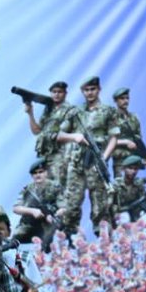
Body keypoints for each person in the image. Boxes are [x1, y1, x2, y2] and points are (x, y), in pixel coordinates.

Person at [57, 76, 116, 234]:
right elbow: (59, 135)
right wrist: (74, 136)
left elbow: (113, 138)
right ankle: (69, 238)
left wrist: (104, 157)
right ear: (82, 91)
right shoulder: (75, 112)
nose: (90, 93)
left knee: (100, 205)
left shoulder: (108, 111)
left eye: (93, 89)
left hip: (96, 163)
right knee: (71, 204)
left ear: (99, 89)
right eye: (86, 90)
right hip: (77, 163)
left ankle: (103, 239)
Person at [22, 80, 76, 177]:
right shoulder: (48, 110)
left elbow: (60, 134)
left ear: (65, 93)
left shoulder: (70, 110)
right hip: (45, 156)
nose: (56, 94)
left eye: (59, 92)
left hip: (60, 155)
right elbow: (37, 131)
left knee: (59, 183)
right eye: (54, 92)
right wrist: (30, 113)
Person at [12, 160, 63, 251]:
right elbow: (16, 208)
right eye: (35, 173)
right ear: (32, 176)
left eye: (40, 172)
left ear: (46, 173)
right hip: (29, 223)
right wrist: (32, 211)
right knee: (14, 242)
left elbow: (64, 207)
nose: (38, 175)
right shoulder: (27, 189)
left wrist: (55, 215)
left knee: (50, 247)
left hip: (49, 224)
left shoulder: (56, 188)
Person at [112, 155, 146, 221]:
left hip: (137, 214)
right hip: (122, 215)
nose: (133, 171)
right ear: (123, 169)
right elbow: (111, 204)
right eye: (130, 168)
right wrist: (115, 213)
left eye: (135, 169)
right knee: (125, 218)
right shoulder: (116, 184)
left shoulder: (139, 183)